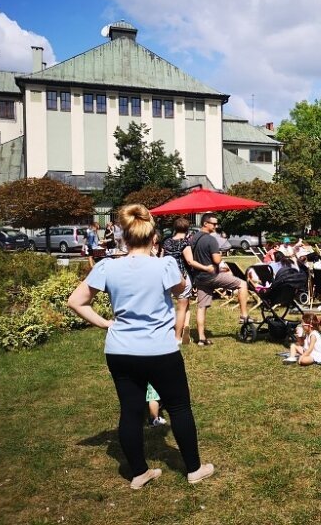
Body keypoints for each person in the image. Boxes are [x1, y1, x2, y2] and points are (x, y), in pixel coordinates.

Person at [67, 204, 214, 489]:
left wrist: (106, 323)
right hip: (160, 350)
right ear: (153, 236)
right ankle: (194, 469)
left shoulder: (107, 265)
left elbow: (76, 301)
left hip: (120, 350)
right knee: (180, 408)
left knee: (130, 411)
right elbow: (182, 290)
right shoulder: (165, 265)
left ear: (123, 235)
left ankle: (138, 473)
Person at [190, 212, 252, 346]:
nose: (216, 226)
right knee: (242, 284)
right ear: (205, 223)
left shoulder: (193, 238)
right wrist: (220, 253)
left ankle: (201, 338)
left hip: (199, 277)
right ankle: (244, 315)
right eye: (213, 223)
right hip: (212, 275)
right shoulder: (211, 239)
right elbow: (217, 260)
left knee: (201, 307)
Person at [162, 217, 213, 345]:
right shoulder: (185, 243)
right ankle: (177, 337)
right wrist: (205, 267)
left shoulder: (167, 242)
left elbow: (162, 258)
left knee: (174, 306)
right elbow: (190, 261)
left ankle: (185, 326)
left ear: (175, 228)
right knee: (181, 307)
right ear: (187, 229)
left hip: (167, 277)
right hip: (182, 277)